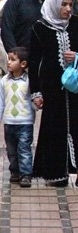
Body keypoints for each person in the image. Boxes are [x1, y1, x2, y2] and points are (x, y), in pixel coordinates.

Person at [28, 0, 78, 187]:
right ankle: (56, 173)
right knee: (55, 127)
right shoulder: (39, 28)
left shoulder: (77, 24)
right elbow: (34, 63)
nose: (68, 9)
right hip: (52, 89)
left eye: (70, 4)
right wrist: (36, 93)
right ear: (53, 4)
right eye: (63, 4)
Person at [0, 46, 36, 188]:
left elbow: (33, 99)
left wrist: (37, 105)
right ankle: (15, 171)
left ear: (23, 64)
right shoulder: (4, 81)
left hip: (25, 121)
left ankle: (26, 174)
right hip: (9, 122)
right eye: (8, 59)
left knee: (24, 149)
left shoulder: (29, 81)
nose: (8, 62)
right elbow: (1, 100)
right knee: (11, 150)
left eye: (13, 60)